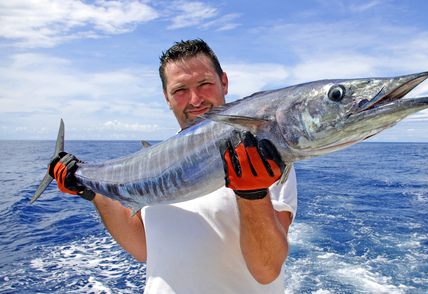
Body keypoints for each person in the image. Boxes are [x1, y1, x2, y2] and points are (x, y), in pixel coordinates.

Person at [48, 39, 298, 293]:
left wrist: (253, 194)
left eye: (205, 84)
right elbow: (143, 247)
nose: (195, 99)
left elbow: (266, 270)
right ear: (167, 98)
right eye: (180, 90)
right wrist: (91, 191)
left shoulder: (269, 160)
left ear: (224, 82)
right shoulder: (153, 164)